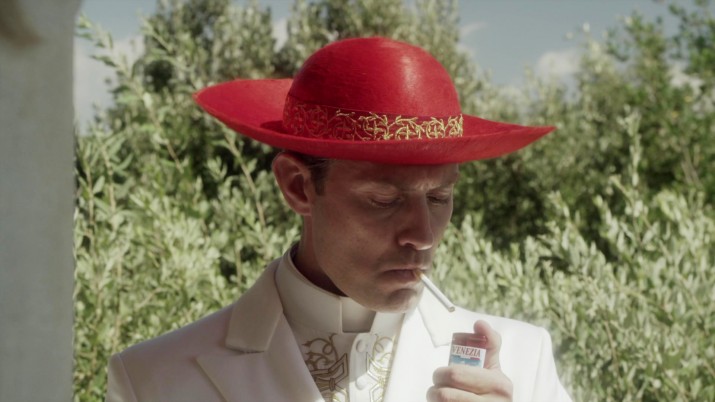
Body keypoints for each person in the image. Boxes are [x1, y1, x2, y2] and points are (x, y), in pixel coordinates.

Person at [106, 37, 572, 402]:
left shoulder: (523, 362)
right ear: (298, 186)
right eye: (384, 199)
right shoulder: (153, 380)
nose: (422, 236)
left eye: (439, 197)